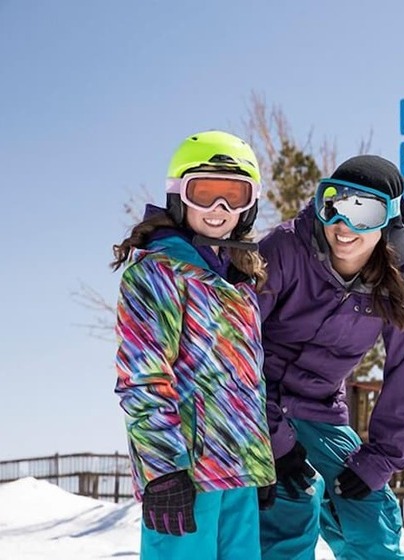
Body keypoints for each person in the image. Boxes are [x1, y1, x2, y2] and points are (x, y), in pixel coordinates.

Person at [256, 154, 404, 559]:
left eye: (365, 212)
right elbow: (235, 346)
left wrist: (381, 459)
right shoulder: (285, 249)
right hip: (254, 404)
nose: (345, 226)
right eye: (334, 205)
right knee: (290, 511)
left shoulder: (398, 280)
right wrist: (273, 440)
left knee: (370, 523)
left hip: (318, 411)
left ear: (388, 220)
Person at [112, 130, 277, 560]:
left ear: (250, 203)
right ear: (178, 196)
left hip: (236, 474)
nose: (219, 209)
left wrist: (258, 460)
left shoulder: (237, 284)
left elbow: (246, 383)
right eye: (204, 193)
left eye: (233, 196)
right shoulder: (157, 273)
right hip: (184, 477)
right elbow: (143, 379)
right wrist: (163, 470)